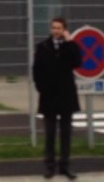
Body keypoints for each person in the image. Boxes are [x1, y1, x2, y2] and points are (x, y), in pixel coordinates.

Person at [33, 17, 81, 180]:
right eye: (53, 28)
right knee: (50, 134)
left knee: (66, 134)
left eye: (59, 28)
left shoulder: (69, 47)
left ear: (64, 30)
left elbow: (77, 62)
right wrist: (42, 89)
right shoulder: (43, 47)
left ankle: (65, 166)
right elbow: (36, 71)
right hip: (49, 97)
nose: (56, 31)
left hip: (66, 96)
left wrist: (70, 42)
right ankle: (50, 166)